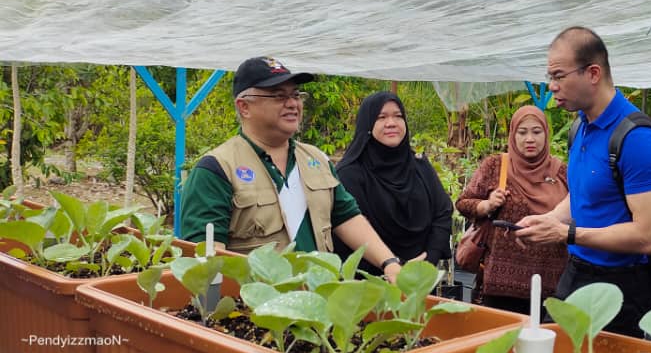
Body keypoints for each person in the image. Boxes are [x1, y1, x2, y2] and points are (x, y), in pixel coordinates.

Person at [181, 56, 410, 283]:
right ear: (244, 107)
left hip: (320, 302)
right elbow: (206, 259)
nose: (292, 103)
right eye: (279, 96)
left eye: (295, 95)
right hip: (255, 311)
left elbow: (346, 216)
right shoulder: (217, 169)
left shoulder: (316, 159)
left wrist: (389, 263)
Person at [516, 27, 651, 337]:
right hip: (577, 272)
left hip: (621, 287)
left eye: (559, 76)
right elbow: (583, 196)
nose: (552, 86)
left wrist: (566, 233)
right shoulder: (580, 127)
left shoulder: (636, 138)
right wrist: (547, 221)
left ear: (593, 73)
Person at [455, 105, 569, 314]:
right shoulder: (496, 165)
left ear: (546, 134)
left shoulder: (561, 172)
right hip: (501, 284)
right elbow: (463, 203)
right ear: (513, 135)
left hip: (551, 284)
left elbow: (580, 210)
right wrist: (487, 205)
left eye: (537, 132)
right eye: (522, 132)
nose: (530, 139)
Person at [332, 91, 453, 276]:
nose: (391, 123)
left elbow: (443, 212)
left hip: (420, 277)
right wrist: (391, 265)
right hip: (370, 281)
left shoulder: (419, 166)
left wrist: (429, 259)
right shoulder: (350, 174)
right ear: (367, 124)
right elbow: (351, 227)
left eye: (398, 116)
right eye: (381, 117)